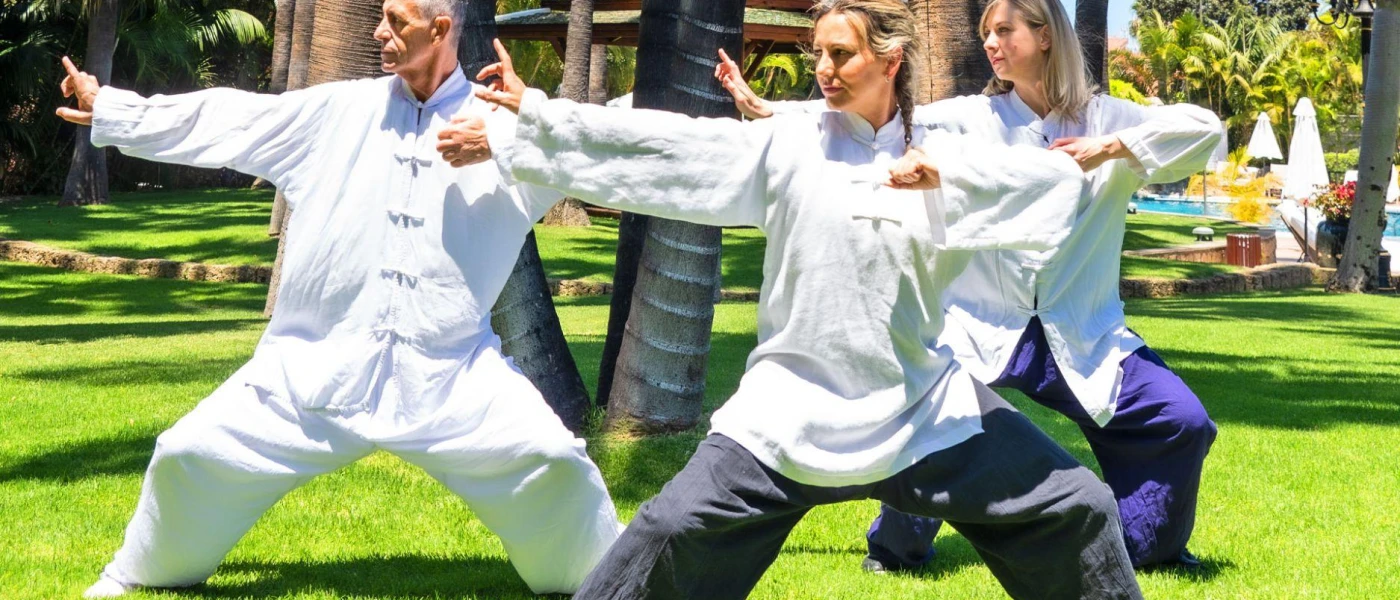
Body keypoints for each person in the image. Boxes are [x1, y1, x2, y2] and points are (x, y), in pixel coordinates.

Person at [445, 1, 1143, 597]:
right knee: (666, 530)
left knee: (1076, 506)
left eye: (840, 54)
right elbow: (664, 149)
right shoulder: (787, 143)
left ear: (889, 60)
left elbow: (1048, 185)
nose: (823, 68)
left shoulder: (947, 147)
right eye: (817, 54)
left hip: (919, 402)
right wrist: (531, 121)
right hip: (788, 407)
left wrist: (949, 185)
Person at [57, 1, 621, 597]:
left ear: (440, 29)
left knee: (555, 462)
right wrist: (113, 109)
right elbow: (229, 118)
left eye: (396, 21)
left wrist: (524, 129)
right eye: (380, 16)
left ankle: (612, 580)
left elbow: (611, 164)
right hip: (310, 367)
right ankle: (136, 573)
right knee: (187, 453)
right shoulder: (338, 109)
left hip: (452, 375)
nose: (380, 32)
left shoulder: (502, 129)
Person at [717, 0, 1222, 571]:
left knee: (1181, 419)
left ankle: (1149, 550)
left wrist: (1110, 148)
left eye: (1004, 30)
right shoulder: (968, 119)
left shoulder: (1110, 119)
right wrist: (767, 110)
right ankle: (895, 550)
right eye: (986, 32)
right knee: (928, 420)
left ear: (1046, 35)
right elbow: (870, 114)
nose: (991, 43)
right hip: (981, 324)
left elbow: (1205, 130)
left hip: (1083, 327)